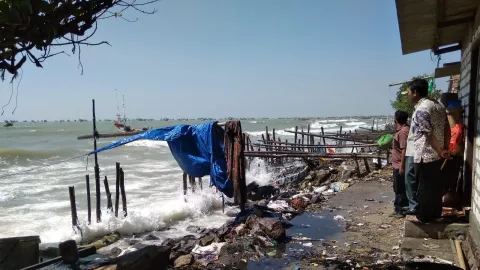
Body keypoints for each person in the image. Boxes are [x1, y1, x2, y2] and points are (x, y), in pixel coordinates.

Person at [407, 78, 451, 223]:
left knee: (424, 187)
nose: (408, 95)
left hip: (425, 154)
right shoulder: (438, 105)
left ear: (415, 93)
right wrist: (444, 148)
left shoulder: (422, 109)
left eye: (408, 92)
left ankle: (423, 217)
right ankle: (435, 214)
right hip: (437, 154)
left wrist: (439, 150)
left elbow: (428, 133)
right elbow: (446, 127)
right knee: (434, 186)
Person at [391, 110, 410, 218]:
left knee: (400, 188)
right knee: (397, 188)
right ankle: (398, 208)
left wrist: (402, 166)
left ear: (395, 120)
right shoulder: (403, 130)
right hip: (398, 164)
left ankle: (401, 210)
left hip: (399, 165)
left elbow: (404, 149)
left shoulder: (403, 132)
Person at [404, 121, 418, 215]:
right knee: (409, 178)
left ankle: (414, 206)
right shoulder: (417, 109)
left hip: (414, 151)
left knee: (410, 178)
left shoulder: (422, 109)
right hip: (412, 151)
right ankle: (412, 204)